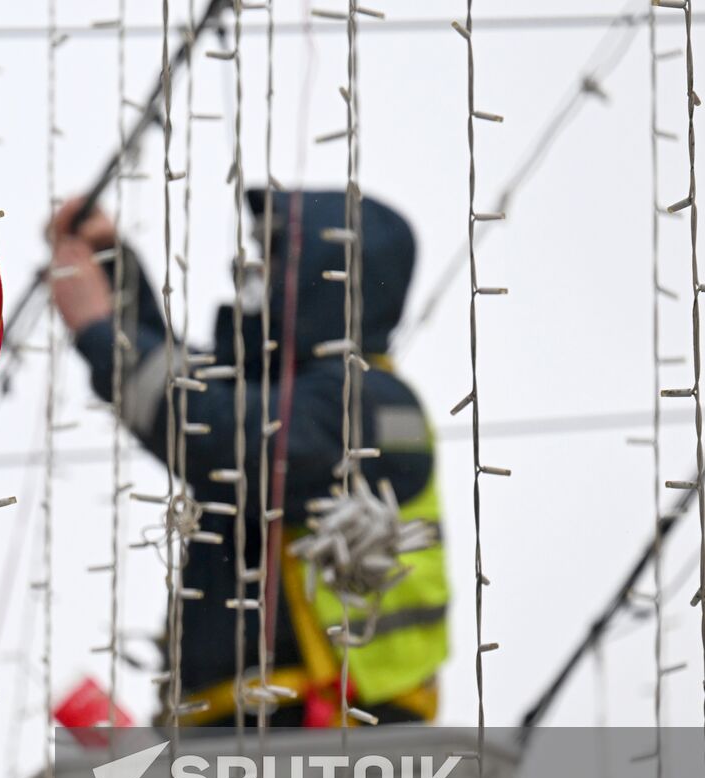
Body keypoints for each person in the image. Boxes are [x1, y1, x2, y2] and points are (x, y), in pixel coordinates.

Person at [49, 189, 449, 728]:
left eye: (273, 256)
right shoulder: (297, 394)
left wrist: (100, 335)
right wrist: (110, 263)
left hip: (335, 730)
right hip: (244, 726)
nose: (250, 273)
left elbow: (224, 435)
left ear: (325, 275)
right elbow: (190, 381)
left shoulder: (370, 404)